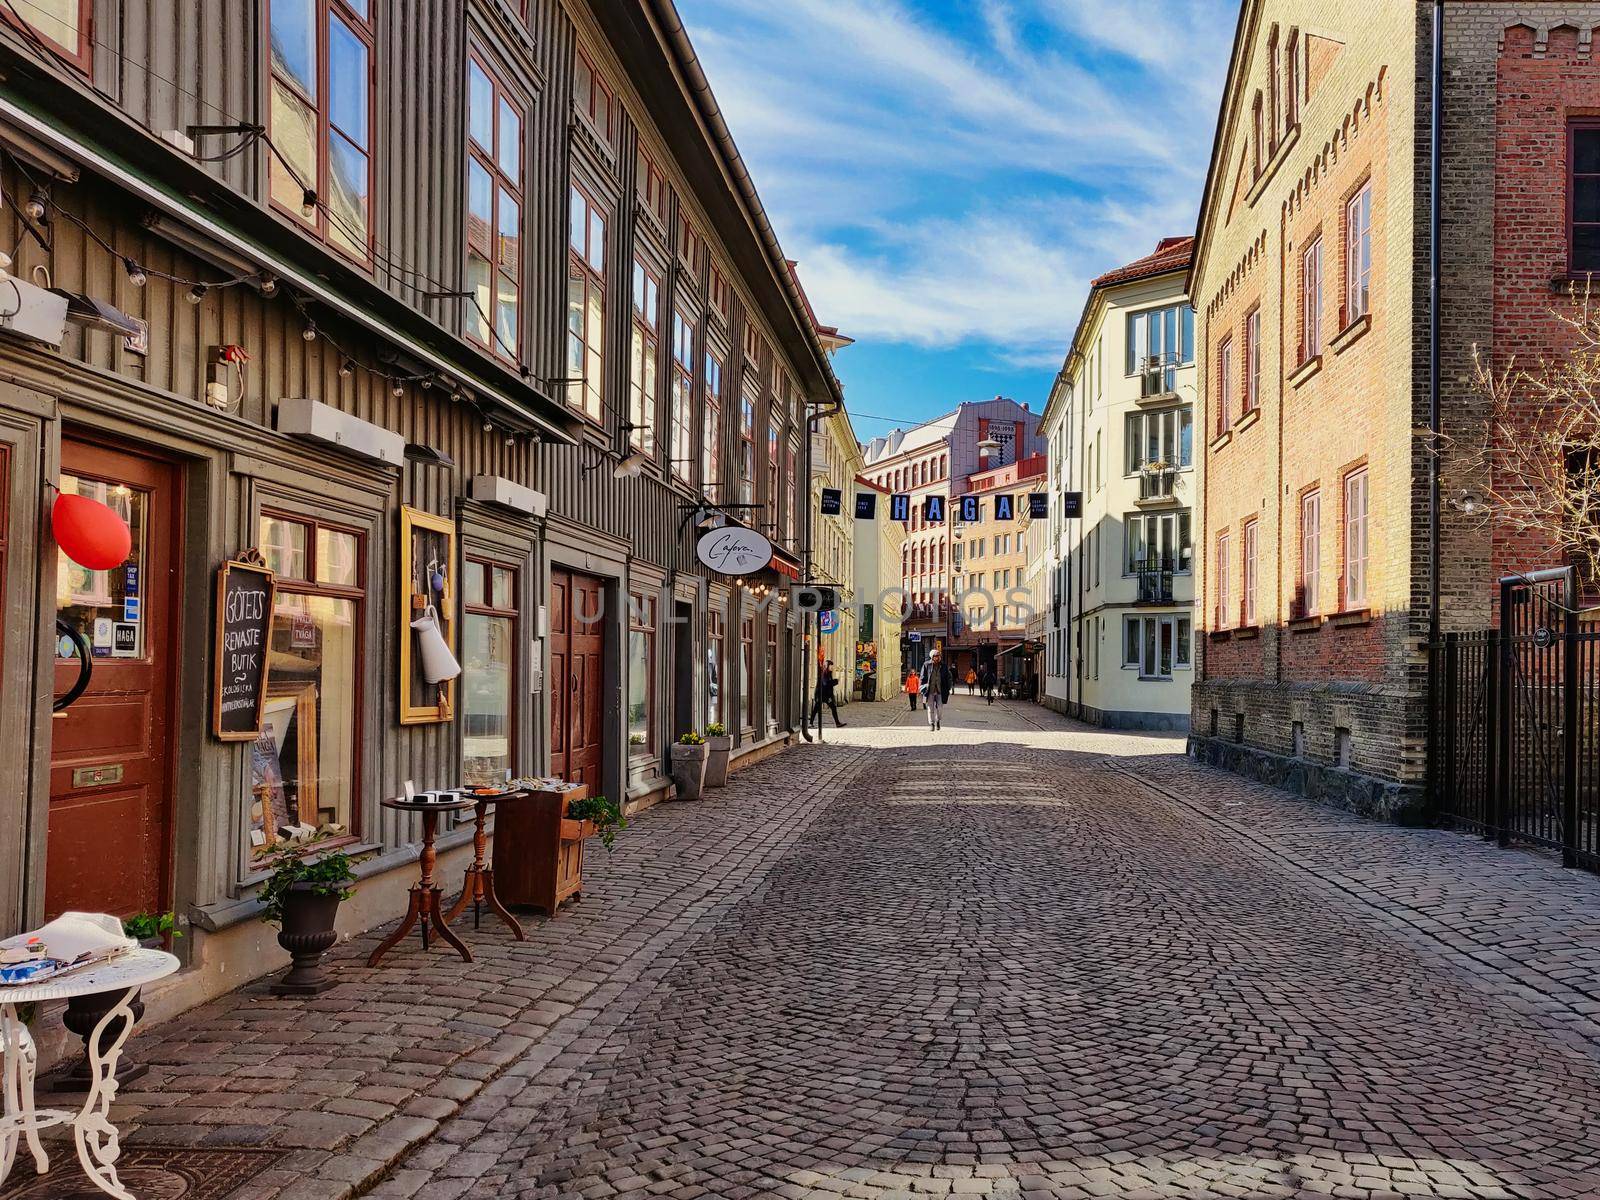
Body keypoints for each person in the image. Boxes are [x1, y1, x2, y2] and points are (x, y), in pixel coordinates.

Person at [919, 649, 955, 731]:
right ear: (932, 657)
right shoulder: (926, 665)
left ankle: (938, 720)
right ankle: (931, 723)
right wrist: (922, 687)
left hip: (940, 691)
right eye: (936, 656)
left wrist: (948, 687)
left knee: (940, 708)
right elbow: (922, 677)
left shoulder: (944, 666)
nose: (938, 658)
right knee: (930, 709)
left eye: (938, 656)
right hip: (930, 691)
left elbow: (948, 677)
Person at [812, 659, 844, 727]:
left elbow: (828, 684)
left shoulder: (829, 673)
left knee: (833, 707)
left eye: (832, 666)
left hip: (826, 695)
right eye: (831, 666)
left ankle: (837, 723)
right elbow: (826, 684)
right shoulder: (824, 674)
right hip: (821, 694)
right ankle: (810, 723)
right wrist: (836, 681)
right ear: (827, 666)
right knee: (816, 709)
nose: (832, 667)